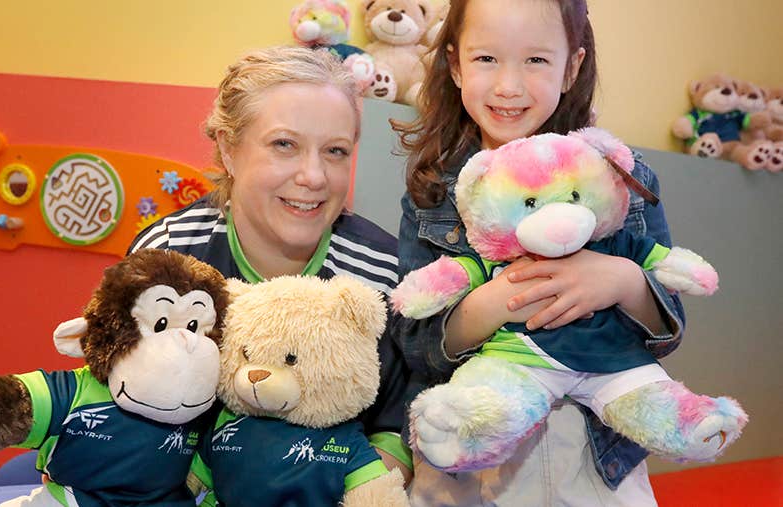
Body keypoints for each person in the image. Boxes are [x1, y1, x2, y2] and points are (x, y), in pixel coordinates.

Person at [393, 0, 685, 505]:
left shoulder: (618, 175)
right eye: (487, 59)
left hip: (595, 462)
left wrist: (623, 280)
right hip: (470, 465)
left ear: (571, 67)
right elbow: (413, 342)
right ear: (456, 66)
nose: (509, 85)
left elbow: (668, 328)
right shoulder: (436, 191)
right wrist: (495, 300)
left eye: (536, 60)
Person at [128, 46, 414, 493]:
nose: (314, 176)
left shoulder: (382, 275)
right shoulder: (167, 259)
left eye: (335, 151)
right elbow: (117, 402)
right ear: (229, 148)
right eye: (284, 144)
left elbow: (396, 434)